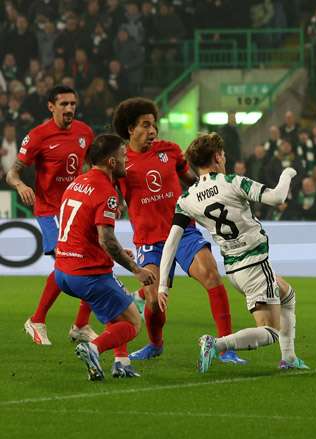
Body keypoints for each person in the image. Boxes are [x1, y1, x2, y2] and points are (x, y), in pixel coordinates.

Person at [157, 133, 308, 372]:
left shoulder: (186, 199)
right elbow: (277, 197)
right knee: (270, 331)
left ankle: (289, 359)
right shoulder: (233, 182)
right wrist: (288, 173)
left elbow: (171, 242)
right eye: (223, 154)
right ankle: (216, 344)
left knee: (287, 294)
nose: (225, 158)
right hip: (256, 264)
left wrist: (163, 285)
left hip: (234, 270)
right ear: (217, 157)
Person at [111, 98, 242, 363]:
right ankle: (155, 344)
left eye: (154, 124)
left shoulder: (170, 151)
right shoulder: (120, 162)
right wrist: (113, 205)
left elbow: (194, 182)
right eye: (145, 125)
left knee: (211, 275)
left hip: (183, 231)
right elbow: (109, 192)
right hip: (149, 241)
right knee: (152, 301)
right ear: (129, 129)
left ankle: (226, 346)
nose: (152, 130)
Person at [53, 133, 156, 380]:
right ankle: (93, 348)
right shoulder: (106, 192)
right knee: (132, 322)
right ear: (111, 161)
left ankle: (121, 364)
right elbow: (106, 239)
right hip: (87, 273)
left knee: (116, 309)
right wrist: (136, 269)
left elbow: (84, 230)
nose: (126, 160)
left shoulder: (77, 182)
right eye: (123, 155)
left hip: (63, 272)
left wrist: (115, 252)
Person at [5, 85, 98, 346]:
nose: (69, 108)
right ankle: (37, 319)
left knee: (96, 260)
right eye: (63, 104)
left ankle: (80, 324)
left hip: (77, 208)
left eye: (72, 103)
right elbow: (12, 172)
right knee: (67, 263)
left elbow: (93, 166)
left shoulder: (84, 132)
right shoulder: (37, 136)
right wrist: (21, 185)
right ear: (51, 106)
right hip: (50, 211)